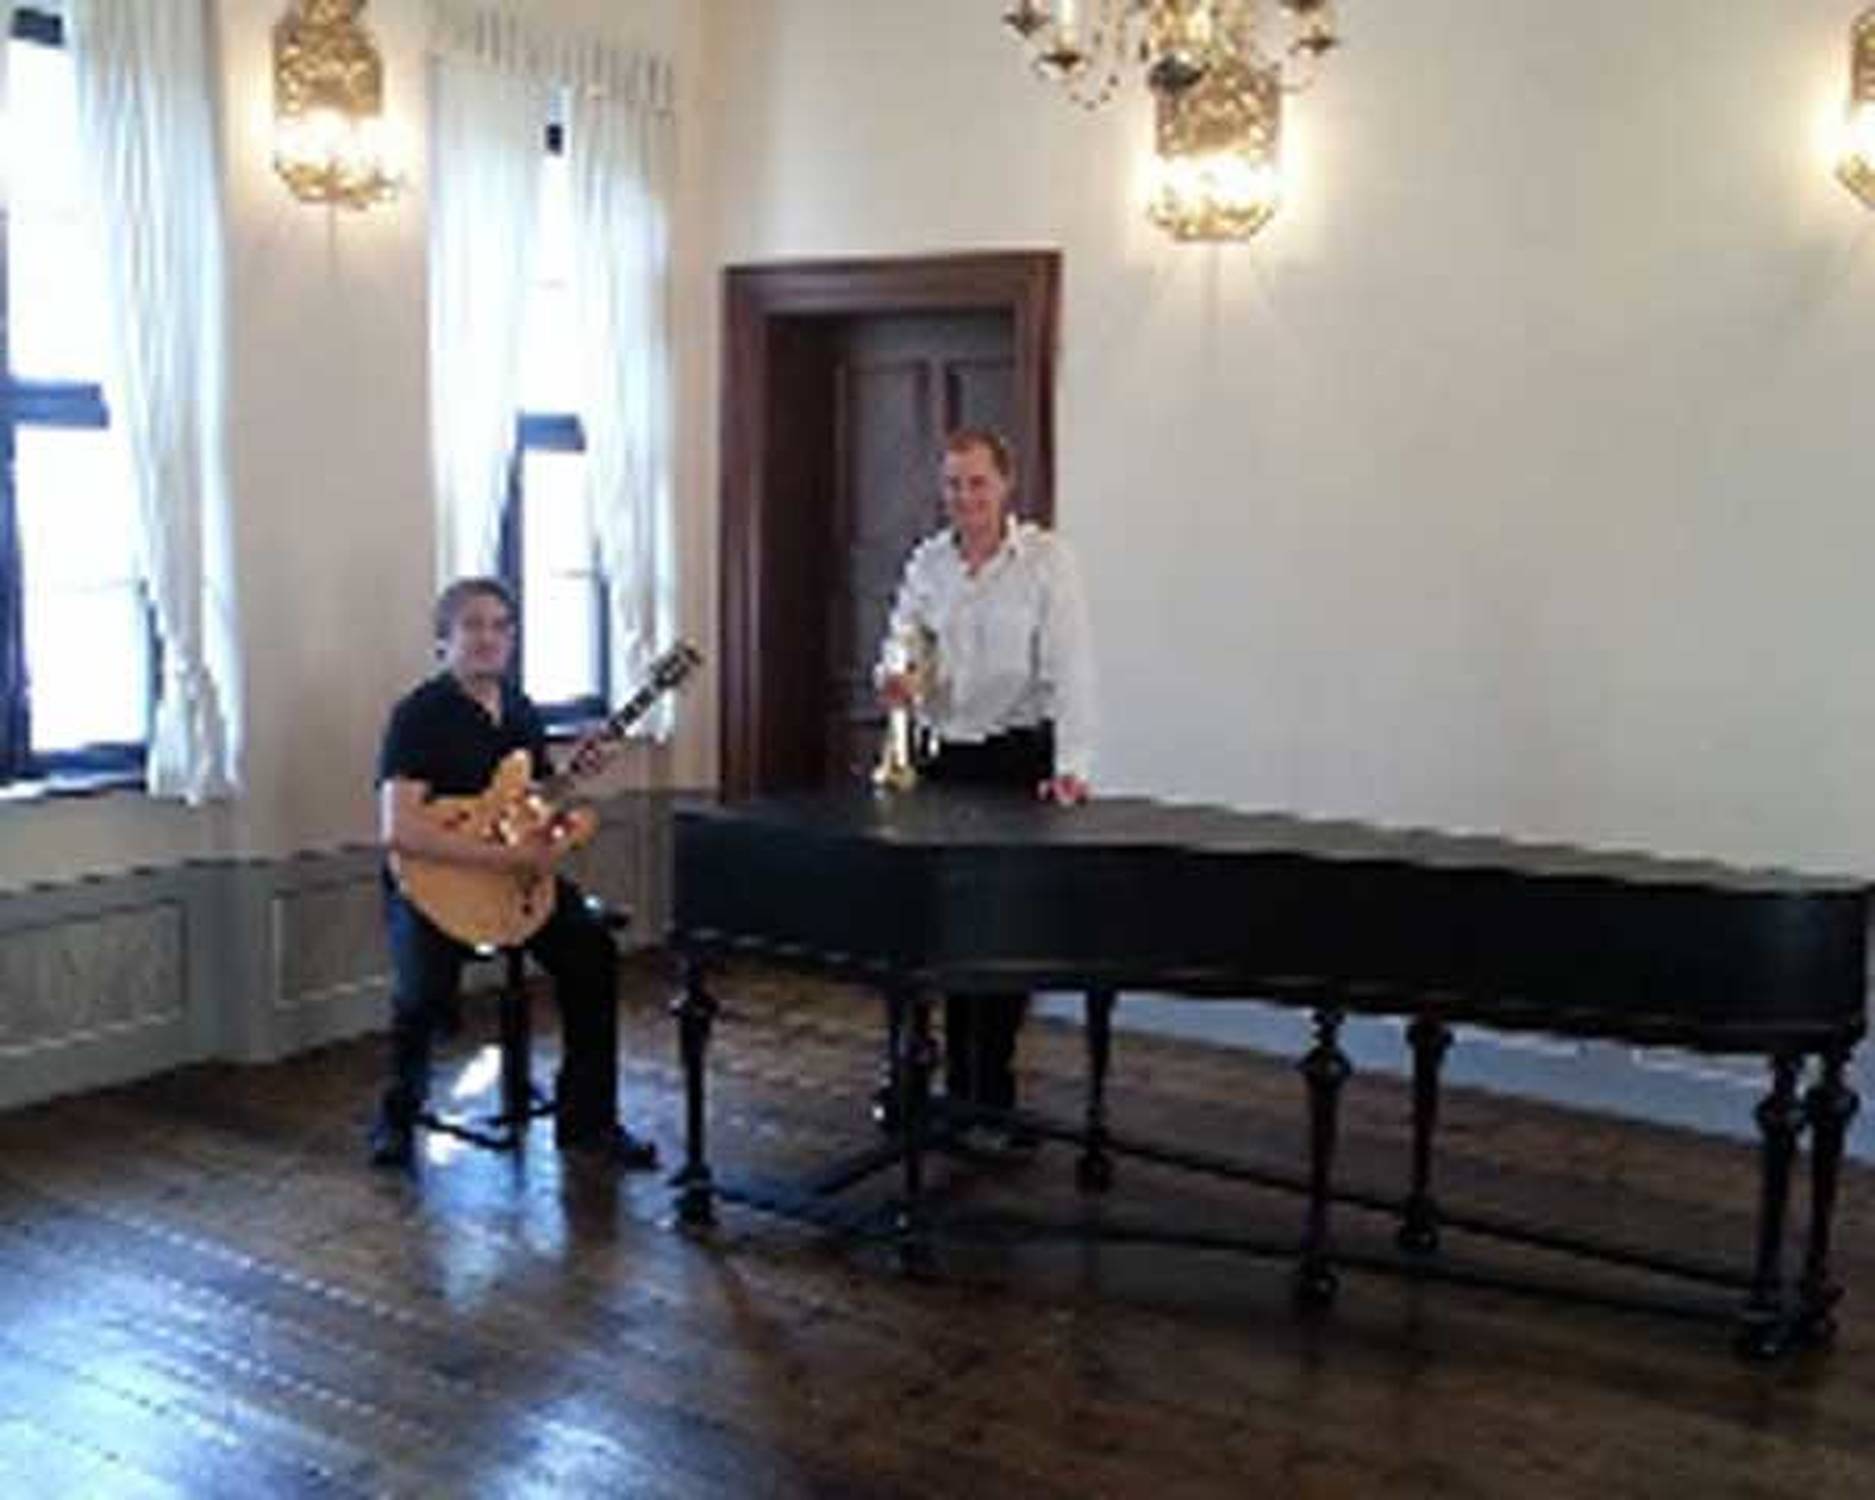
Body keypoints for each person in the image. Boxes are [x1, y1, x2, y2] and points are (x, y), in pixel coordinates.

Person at [367, 576, 658, 1171]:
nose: (489, 638)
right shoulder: (419, 716)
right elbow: (401, 831)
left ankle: (589, 1122)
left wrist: (577, 781)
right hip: (434, 884)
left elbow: (532, 801)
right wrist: (506, 859)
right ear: (443, 640)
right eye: (473, 625)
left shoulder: (520, 709)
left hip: (512, 878)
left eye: (501, 626)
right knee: (423, 994)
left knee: (591, 953)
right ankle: (397, 1116)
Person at [875, 427, 1096, 1150]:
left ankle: (987, 1096)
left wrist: (1073, 765)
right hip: (940, 765)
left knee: (999, 938)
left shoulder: (1047, 562)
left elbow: (1071, 669)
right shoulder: (927, 562)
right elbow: (901, 640)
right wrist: (894, 677)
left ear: (1006, 485)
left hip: (1013, 762)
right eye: (953, 484)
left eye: (977, 482)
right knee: (933, 928)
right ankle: (925, 1085)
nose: (964, 497)